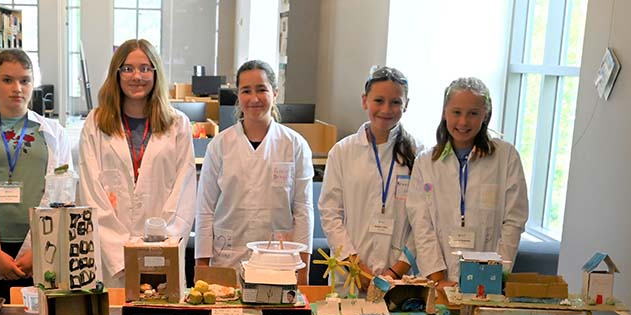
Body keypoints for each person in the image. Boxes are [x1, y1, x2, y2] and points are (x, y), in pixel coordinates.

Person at [79, 38, 197, 288]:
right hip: (112, 257)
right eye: (128, 68)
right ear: (117, 73)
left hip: (161, 251)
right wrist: (122, 253)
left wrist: (158, 247)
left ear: (155, 73)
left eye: (145, 68)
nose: (137, 76)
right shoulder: (96, 122)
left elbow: (184, 192)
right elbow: (91, 192)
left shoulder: (178, 124)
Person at [0, 49, 72, 299]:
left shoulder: (53, 132)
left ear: (33, 84)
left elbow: (65, 195)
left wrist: (39, 249)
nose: (16, 88)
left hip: (42, 243)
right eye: (7, 80)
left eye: (25, 80)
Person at [195, 60, 313, 284]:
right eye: (246, 91)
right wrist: (202, 265)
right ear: (238, 96)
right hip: (227, 258)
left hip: (279, 258)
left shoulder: (294, 145)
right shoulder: (220, 145)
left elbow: (303, 210)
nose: (254, 98)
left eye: (262, 89)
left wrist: (304, 269)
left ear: (275, 93)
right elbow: (205, 209)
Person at [406, 76, 528, 287]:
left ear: (485, 115)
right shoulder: (426, 162)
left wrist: (496, 274)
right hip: (440, 278)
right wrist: (438, 278)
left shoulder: (506, 156)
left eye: (473, 114)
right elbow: (421, 224)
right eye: (456, 112)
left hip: (488, 279)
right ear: (445, 113)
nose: (463, 122)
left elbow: (514, 220)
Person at [319, 67, 422, 291]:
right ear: (365, 101)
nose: (386, 109)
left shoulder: (420, 154)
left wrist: (396, 271)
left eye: (395, 102)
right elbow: (330, 214)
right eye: (379, 100)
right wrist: (356, 267)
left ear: (406, 104)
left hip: (399, 279)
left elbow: (424, 223)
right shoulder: (342, 152)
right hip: (349, 276)